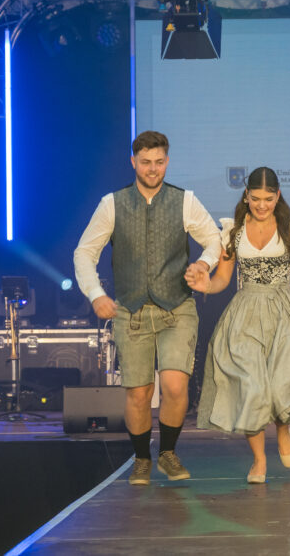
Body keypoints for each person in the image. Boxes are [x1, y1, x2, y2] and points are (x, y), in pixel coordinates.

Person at [74, 130, 221, 486]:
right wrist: (95, 294)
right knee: (139, 393)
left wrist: (203, 264)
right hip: (131, 310)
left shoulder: (185, 201)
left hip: (177, 307)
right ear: (133, 162)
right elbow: (84, 252)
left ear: (167, 162)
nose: (153, 169)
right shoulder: (112, 204)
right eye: (145, 162)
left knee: (174, 385)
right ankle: (142, 458)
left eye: (158, 162)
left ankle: (168, 452)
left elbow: (214, 239)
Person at [186, 167, 290, 484]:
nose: (262, 205)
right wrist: (206, 285)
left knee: (280, 386)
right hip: (246, 312)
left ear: (278, 196)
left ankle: (283, 427)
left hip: (282, 311)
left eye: (268, 199)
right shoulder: (233, 230)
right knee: (251, 387)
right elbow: (222, 278)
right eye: (256, 198)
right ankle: (259, 460)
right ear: (246, 195)